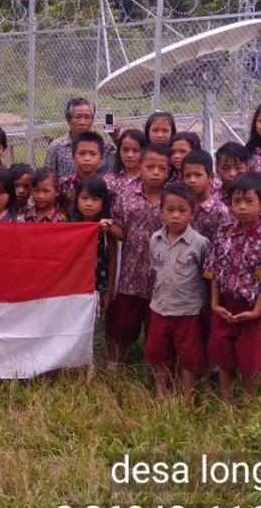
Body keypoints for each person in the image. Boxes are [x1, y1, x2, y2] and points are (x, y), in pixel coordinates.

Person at [204, 172, 261, 403]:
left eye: (249, 201)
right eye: (236, 202)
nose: (242, 207)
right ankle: (226, 401)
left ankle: (249, 401)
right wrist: (214, 304)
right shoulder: (224, 234)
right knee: (224, 356)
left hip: (252, 309)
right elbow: (212, 269)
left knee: (250, 359)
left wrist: (257, 310)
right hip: (224, 306)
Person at [144, 182, 209, 405]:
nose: (175, 216)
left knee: (189, 355)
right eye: (170, 210)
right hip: (160, 307)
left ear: (192, 212)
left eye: (182, 211)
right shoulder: (155, 240)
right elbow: (155, 268)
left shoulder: (200, 243)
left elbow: (205, 275)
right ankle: (161, 392)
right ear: (161, 211)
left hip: (188, 310)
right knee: (158, 352)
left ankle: (187, 396)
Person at [107, 143, 170, 365]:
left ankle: (153, 365)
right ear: (140, 167)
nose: (155, 173)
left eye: (162, 168)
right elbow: (121, 231)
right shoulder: (126, 196)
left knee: (157, 327)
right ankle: (113, 363)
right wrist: (106, 226)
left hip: (161, 276)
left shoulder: (172, 199)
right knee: (122, 324)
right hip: (131, 275)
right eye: (150, 167)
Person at [72, 177, 117, 316]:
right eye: (84, 198)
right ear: (76, 199)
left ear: (103, 202)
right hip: (73, 285)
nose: (89, 204)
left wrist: (109, 290)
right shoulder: (70, 225)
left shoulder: (106, 229)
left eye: (95, 199)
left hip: (98, 284)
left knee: (93, 321)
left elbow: (112, 259)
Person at [44, 97, 117, 179]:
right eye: (78, 117)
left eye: (87, 117)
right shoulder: (56, 148)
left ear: (92, 120)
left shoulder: (106, 148)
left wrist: (116, 138)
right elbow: (48, 178)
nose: (83, 122)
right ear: (69, 120)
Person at [180, 149, 232, 242]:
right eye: (187, 175)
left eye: (198, 175)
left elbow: (222, 246)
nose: (192, 180)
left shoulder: (220, 211)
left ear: (211, 177)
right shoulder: (179, 205)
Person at [58, 132, 106, 209]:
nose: (87, 158)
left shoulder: (108, 185)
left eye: (93, 154)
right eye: (81, 153)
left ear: (101, 158)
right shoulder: (63, 184)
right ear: (73, 156)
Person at [109, 129, 146, 196]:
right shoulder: (110, 179)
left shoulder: (149, 179)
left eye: (135, 150)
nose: (130, 155)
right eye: (125, 150)